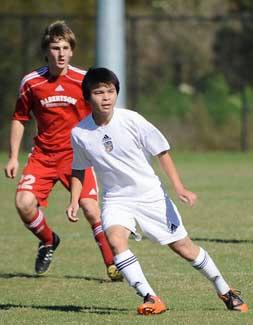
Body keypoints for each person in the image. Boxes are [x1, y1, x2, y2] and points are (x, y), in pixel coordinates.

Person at [67, 67, 248, 315]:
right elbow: (78, 169)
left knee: (184, 248)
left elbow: (161, 151)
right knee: (115, 240)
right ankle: (151, 297)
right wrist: (74, 199)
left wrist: (179, 187)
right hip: (116, 199)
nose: (106, 97)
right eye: (99, 92)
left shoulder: (131, 119)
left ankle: (225, 289)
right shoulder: (79, 133)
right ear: (88, 97)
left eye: (110, 91)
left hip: (149, 195)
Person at [4, 21, 122, 281]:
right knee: (23, 204)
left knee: (91, 208)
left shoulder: (83, 81)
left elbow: (104, 110)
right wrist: (13, 157)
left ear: (72, 51)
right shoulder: (32, 82)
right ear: (46, 51)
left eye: (65, 48)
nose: (60, 53)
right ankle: (48, 240)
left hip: (77, 157)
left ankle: (112, 265)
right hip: (43, 157)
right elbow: (19, 118)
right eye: (55, 47)